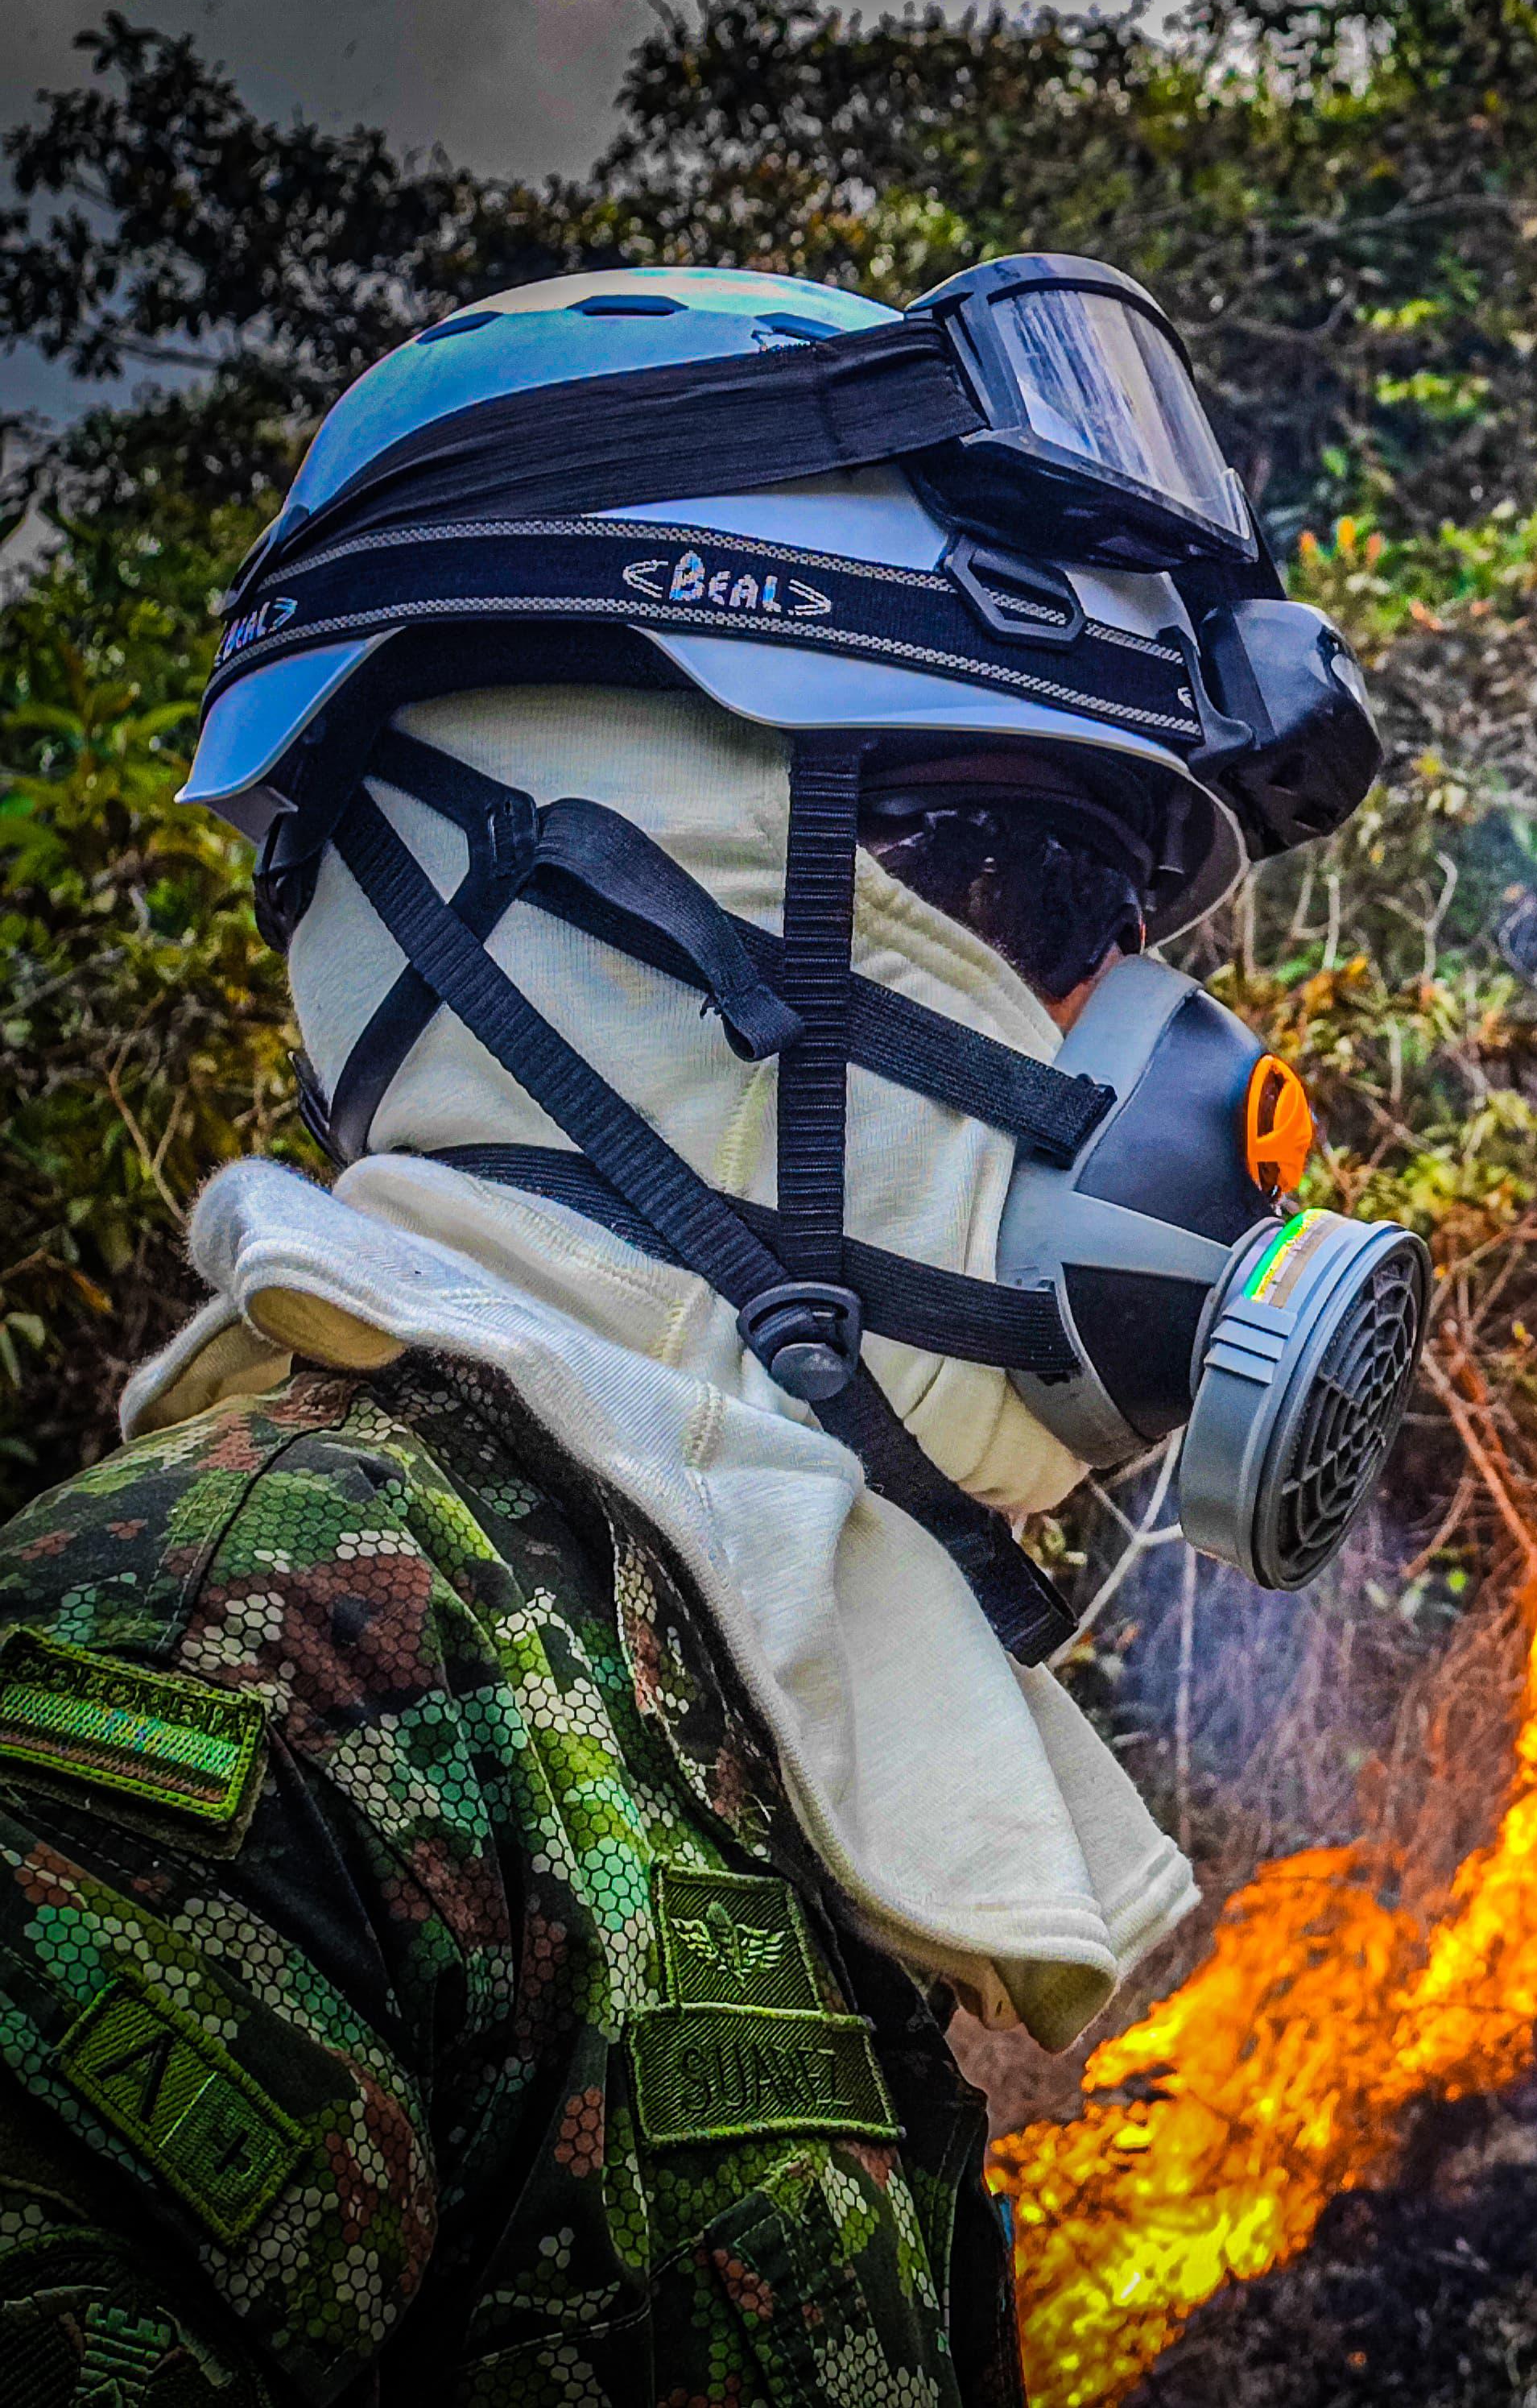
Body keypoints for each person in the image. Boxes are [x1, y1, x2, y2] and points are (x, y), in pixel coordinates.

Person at [0, 260, 1426, 2403]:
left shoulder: (686, 1675)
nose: (1158, 1055)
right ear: (589, 910)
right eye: (1025, 893)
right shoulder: (230, 1665)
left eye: (1123, 931)